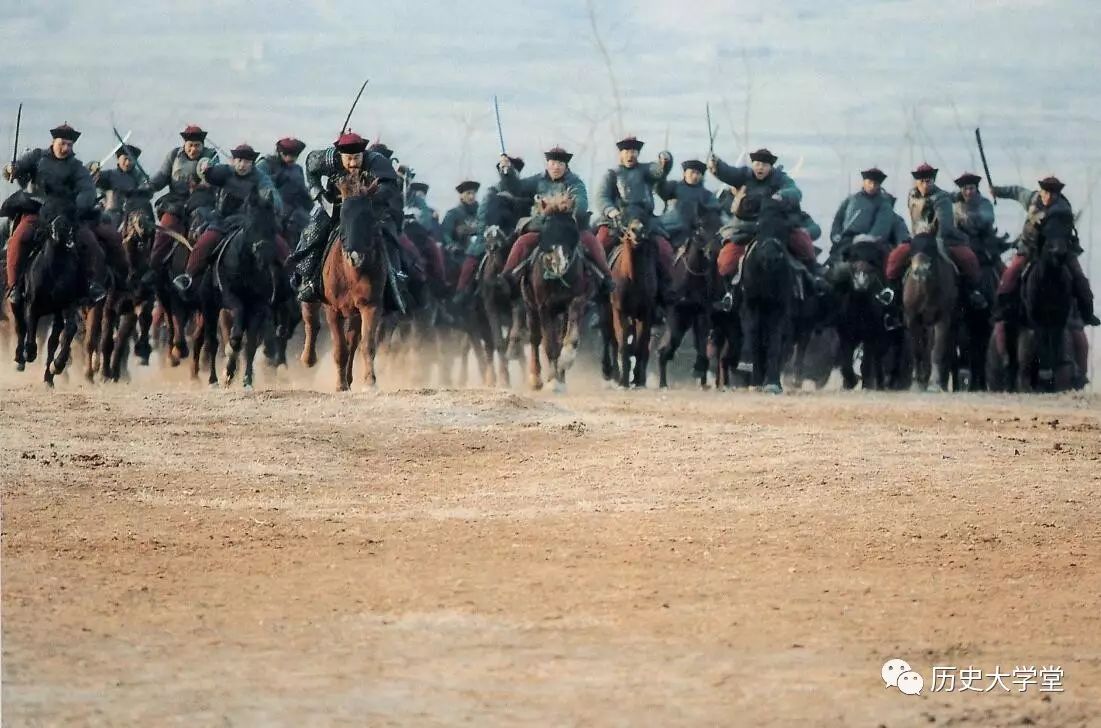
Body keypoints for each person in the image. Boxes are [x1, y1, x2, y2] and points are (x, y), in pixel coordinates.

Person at [3, 123, 121, 303]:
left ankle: (92, 285)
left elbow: (87, 190)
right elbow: (17, 167)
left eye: (70, 145)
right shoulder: (36, 156)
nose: (66, 148)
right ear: (53, 141)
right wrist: (11, 169)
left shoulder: (77, 167)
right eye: (62, 144)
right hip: (36, 211)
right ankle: (14, 287)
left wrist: (76, 207)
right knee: (18, 239)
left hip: (66, 215)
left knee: (91, 244)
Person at [289, 131, 407, 305]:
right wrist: (319, 193)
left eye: (357, 158)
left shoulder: (376, 161)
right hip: (335, 207)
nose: (353, 164)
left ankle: (395, 277)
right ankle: (308, 278)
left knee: (388, 234)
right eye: (348, 159)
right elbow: (310, 168)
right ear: (340, 155)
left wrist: (371, 195)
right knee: (313, 231)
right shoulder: (327, 158)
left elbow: (389, 185)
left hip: (369, 209)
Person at [172, 144, 286, 292]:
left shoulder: (260, 177)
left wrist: (270, 199)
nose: (242, 165)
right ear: (233, 161)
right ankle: (188, 276)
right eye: (239, 160)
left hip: (249, 223)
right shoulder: (225, 172)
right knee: (204, 242)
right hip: (223, 220)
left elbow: (271, 193)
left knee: (280, 244)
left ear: (252, 163)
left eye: (246, 161)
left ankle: (294, 278)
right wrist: (205, 166)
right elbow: (209, 173)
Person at [496, 147, 613, 291]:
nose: (556, 167)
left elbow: (581, 202)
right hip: (543, 228)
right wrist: (507, 172)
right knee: (522, 242)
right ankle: (507, 276)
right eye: (552, 163)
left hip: (569, 229)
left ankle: (607, 277)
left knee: (592, 241)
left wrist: (572, 208)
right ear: (547, 164)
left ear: (566, 166)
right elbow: (516, 188)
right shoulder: (537, 180)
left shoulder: (575, 182)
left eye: (560, 164)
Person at [883, 163, 987, 309]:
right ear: (917, 182)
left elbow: (944, 226)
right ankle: (891, 291)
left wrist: (933, 241)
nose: (925, 184)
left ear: (933, 181)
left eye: (929, 181)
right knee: (895, 257)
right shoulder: (911, 195)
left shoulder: (942, 198)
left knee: (968, 258)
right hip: (917, 239)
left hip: (942, 238)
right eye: (922, 181)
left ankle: (973, 292)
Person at [709, 148, 820, 278]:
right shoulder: (744, 175)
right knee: (726, 263)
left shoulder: (781, 179)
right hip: (746, 229)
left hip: (777, 227)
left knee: (803, 244)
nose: (760, 168)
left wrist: (781, 196)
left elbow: (795, 191)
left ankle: (814, 279)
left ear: (770, 166)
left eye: (764, 165)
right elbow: (728, 172)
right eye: (757, 164)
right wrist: (717, 164)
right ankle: (729, 294)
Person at [145, 125, 219, 271]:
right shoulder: (173, 155)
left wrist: (205, 181)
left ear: (203, 145)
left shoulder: (211, 157)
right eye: (190, 145)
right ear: (184, 144)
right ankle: (153, 269)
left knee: (204, 235)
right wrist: (148, 186)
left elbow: (215, 179)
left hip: (201, 205)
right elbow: (162, 176)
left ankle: (200, 270)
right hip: (175, 204)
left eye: (197, 146)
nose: (193, 150)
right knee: (165, 230)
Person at [828, 167, 896, 263]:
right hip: (845, 240)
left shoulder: (884, 204)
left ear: (879, 185)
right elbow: (838, 219)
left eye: (875, 183)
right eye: (869, 182)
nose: (872, 186)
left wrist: (867, 238)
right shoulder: (851, 199)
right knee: (835, 267)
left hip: (868, 245)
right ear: (864, 182)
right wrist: (836, 234)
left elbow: (881, 226)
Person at [655, 159, 722, 247]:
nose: (695, 176)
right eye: (692, 172)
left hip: (691, 234)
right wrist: (664, 169)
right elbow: (661, 189)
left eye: (698, 173)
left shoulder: (706, 194)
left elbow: (715, 211)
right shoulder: (674, 186)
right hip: (669, 228)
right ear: (684, 173)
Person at [257, 137, 311, 245]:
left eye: (294, 156)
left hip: (297, 214)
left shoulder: (297, 169)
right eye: (286, 155)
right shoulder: (265, 165)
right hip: (271, 213)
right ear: (280, 153)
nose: (290, 158)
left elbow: (303, 193)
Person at [92, 144, 149, 228]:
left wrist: (147, 186)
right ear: (118, 158)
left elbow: (146, 190)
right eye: (125, 158)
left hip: (132, 214)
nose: (128, 163)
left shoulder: (139, 176)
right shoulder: (109, 174)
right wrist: (93, 170)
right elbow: (90, 180)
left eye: (131, 159)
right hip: (111, 212)